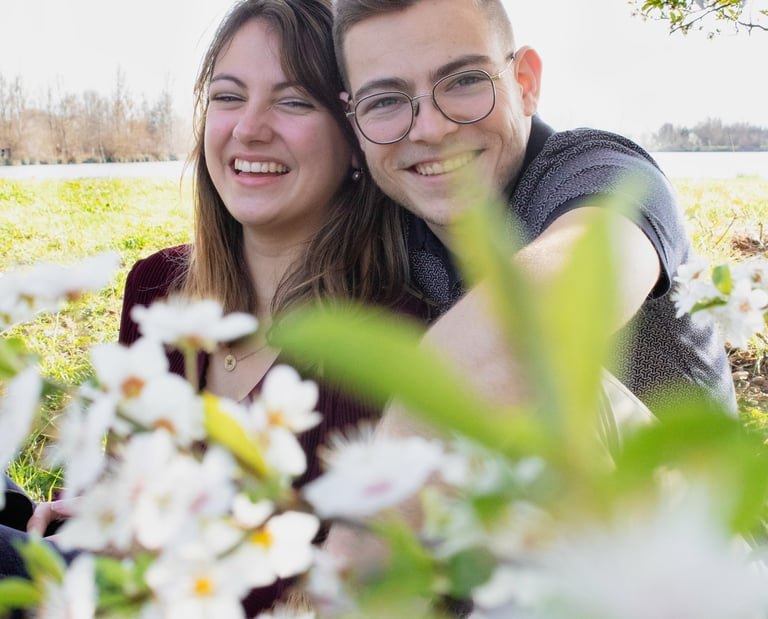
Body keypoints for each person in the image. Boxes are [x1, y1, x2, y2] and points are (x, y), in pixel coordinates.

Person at [0, 0, 426, 615]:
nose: (249, 127)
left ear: (355, 140)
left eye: (293, 101)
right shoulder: (156, 289)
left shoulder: (395, 339)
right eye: (228, 97)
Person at [332, 0, 736, 415]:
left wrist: (406, 429)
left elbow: (586, 273)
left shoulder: (599, 171)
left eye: (464, 81)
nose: (431, 129)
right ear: (353, 123)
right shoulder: (384, 226)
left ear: (525, 83)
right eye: (383, 102)